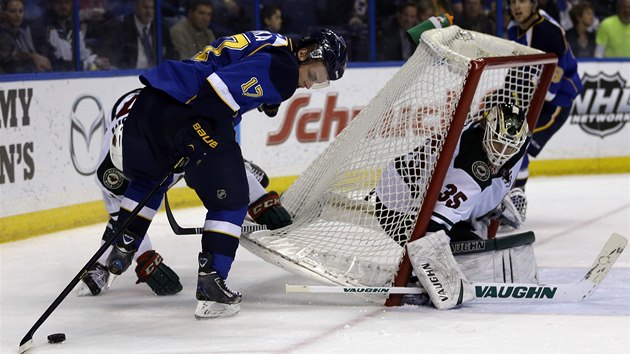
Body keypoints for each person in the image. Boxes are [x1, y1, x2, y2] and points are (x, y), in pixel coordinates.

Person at [101, 29, 347, 319]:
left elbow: (230, 61)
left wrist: (264, 98)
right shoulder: (284, 67)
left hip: (151, 103)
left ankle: (126, 241)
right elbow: (219, 89)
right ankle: (212, 287)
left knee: (148, 180)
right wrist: (194, 134)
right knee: (231, 199)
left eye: (319, 83)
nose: (310, 85)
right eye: (315, 75)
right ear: (305, 53)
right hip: (192, 110)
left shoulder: (272, 40)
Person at [77, 88, 288, 297]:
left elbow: (226, 98)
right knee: (127, 212)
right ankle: (103, 263)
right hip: (145, 119)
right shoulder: (108, 172)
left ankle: (242, 166)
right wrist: (144, 257)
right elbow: (122, 219)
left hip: (169, 130)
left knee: (213, 158)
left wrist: (259, 198)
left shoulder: (178, 136)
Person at [374, 103, 534, 309]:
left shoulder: (497, 139)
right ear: (486, 130)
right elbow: (433, 229)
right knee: (474, 259)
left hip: (415, 189)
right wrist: (442, 277)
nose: (502, 153)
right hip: (398, 209)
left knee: (473, 249)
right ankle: (412, 281)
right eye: (497, 143)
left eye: (510, 147)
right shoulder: (469, 172)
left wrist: (493, 201)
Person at [507, 0, 582, 220]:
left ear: (534, 3)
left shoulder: (549, 32)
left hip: (556, 104)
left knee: (519, 144)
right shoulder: (513, 29)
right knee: (509, 142)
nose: (516, 7)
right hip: (534, 102)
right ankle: (508, 200)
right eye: (512, 2)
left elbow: (549, 92)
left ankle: (516, 201)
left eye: (522, 1)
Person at [30, 0, 110, 71]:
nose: (63, 6)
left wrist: (95, 61)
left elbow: (81, 52)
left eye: (67, 2)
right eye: (59, 2)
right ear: (51, 4)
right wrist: (86, 66)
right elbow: (52, 64)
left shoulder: (72, 25)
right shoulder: (42, 27)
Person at [101, 0, 176, 69]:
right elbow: (113, 57)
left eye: (152, 8)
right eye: (145, 8)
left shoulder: (161, 28)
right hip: (130, 77)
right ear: (136, 7)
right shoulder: (121, 28)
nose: (149, 12)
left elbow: (172, 53)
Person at [0, 0, 51, 73]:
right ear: (3, 14)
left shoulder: (22, 34)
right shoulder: (2, 34)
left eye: (20, 11)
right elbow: (9, 55)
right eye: (12, 11)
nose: (18, 15)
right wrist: (33, 57)